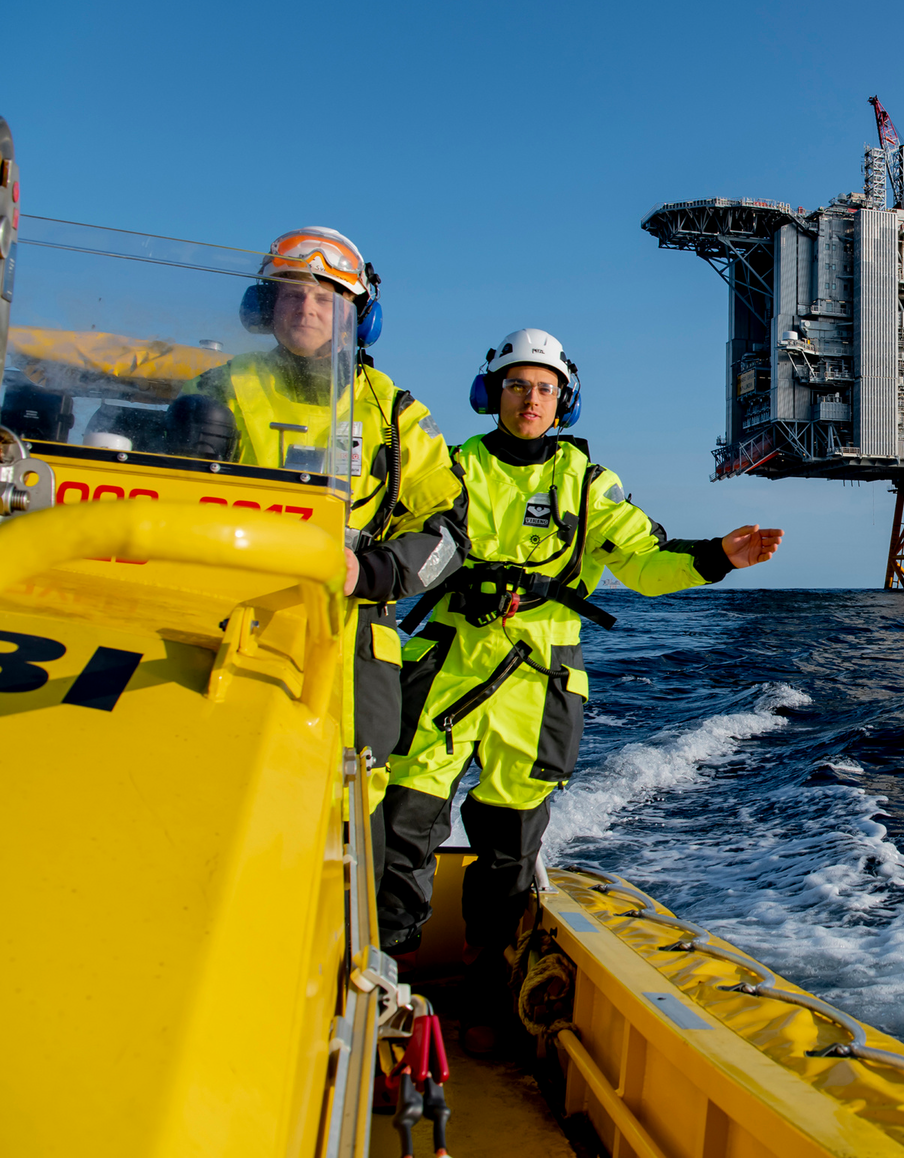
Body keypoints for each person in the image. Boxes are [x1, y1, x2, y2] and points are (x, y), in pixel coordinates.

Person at [377, 328, 780, 1015]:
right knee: (402, 831)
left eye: (543, 387)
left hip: (536, 687)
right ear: (491, 395)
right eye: (515, 385)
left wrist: (716, 556)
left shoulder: (588, 484)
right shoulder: (448, 470)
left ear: (564, 401)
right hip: (443, 670)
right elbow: (406, 545)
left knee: (508, 852)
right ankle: (391, 983)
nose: (529, 398)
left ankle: (483, 995)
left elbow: (643, 562)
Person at [185, 229, 467, 853]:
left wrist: (370, 573)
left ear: (357, 315)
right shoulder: (219, 391)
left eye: (326, 295)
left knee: (354, 806)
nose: (306, 309)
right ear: (265, 307)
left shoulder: (395, 414)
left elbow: (449, 531)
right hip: (235, 625)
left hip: (356, 641)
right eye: (290, 294)